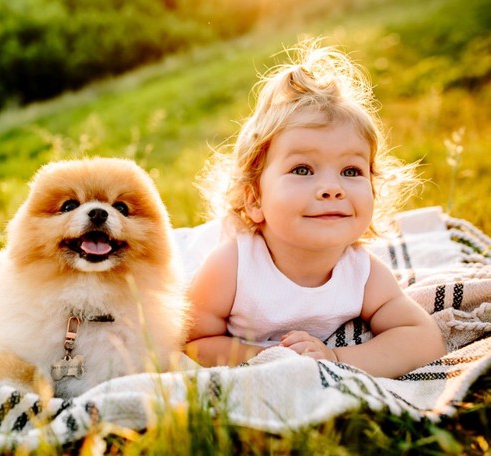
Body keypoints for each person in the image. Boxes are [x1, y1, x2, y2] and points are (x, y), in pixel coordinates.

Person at [184, 39, 446, 378]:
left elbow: (424, 340)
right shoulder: (230, 266)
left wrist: (333, 359)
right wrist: (271, 358)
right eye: (303, 170)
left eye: (351, 171)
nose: (332, 188)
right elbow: (193, 339)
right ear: (254, 199)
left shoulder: (362, 273)